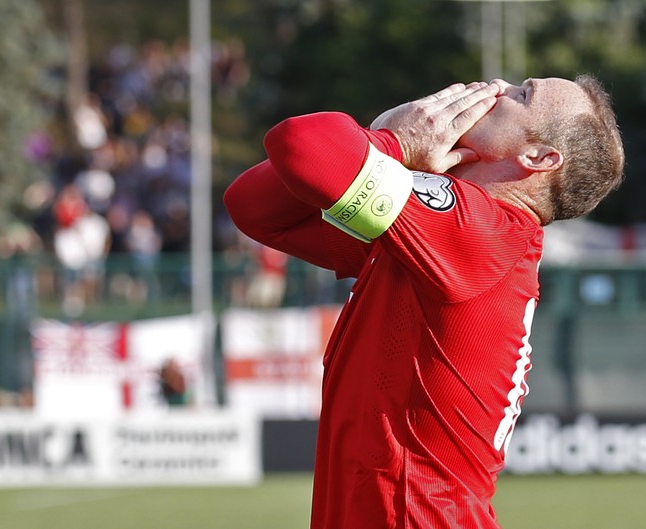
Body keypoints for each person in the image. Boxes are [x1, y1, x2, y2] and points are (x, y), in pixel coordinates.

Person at [224, 76, 624, 529]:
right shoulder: (443, 230)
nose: (497, 86)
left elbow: (301, 142)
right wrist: (388, 148)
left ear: (538, 158)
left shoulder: (484, 230)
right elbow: (257, 209)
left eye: (522, 95)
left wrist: (392, 141)